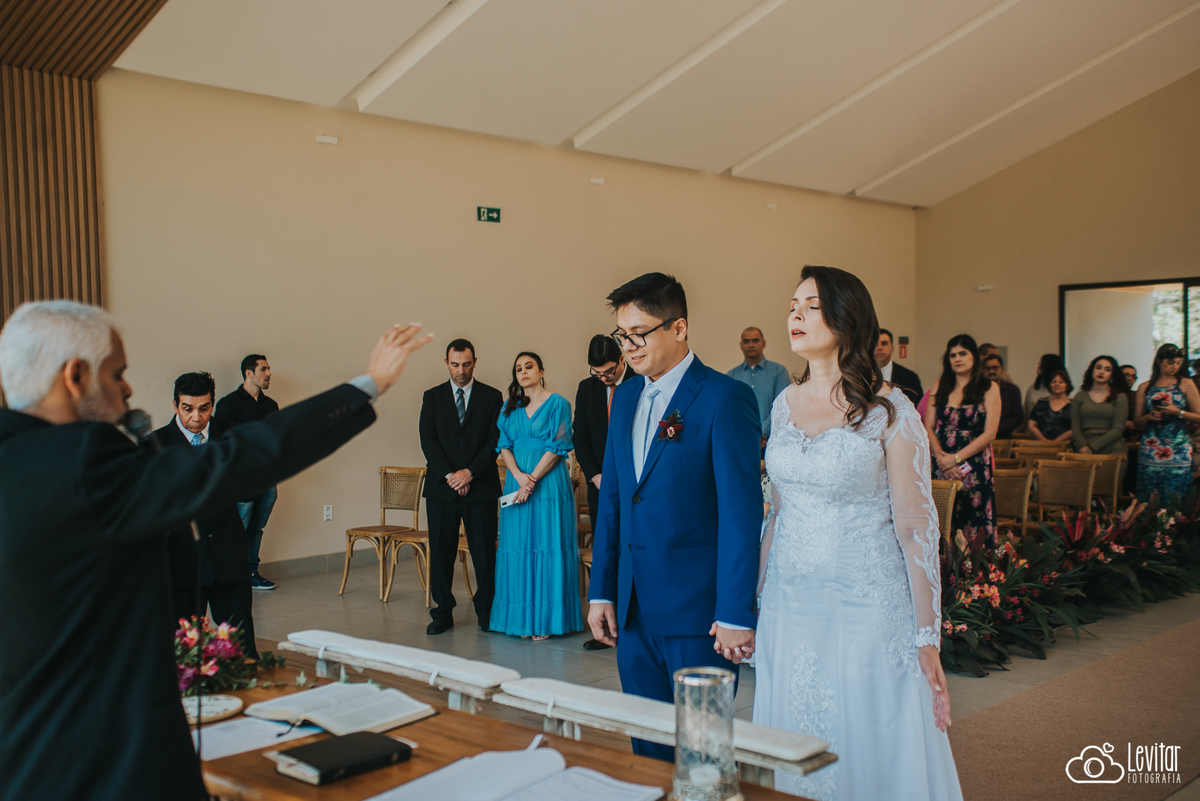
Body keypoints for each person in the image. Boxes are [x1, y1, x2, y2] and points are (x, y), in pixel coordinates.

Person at [0, 301, 430, 801]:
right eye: (117, 373)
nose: (127, 389)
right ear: (75, 376)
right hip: (105, 765)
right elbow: (237, 458)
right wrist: (369, 384)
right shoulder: (83, 463)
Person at [754, 265, 961, 801]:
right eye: (793, 306)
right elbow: (777, 512)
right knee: (795, 725)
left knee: (865, 731)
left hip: (864, 604)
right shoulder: (783, 404)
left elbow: (916, 527)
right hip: (789, 603)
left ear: (847, 318)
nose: (796, 315)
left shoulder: (890, 409)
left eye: (812, 306)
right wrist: (753, 598)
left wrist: (927, 635)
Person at [587, 273, 761, 762]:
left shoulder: (725, 398)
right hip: (632, 609)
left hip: (697, 613)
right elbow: (615, 500)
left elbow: (741, 514)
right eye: (623, 335)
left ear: (679, 328)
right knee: (649, 748)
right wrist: (602, 590)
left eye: (639, 334)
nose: (628, 347)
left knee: (702, 752)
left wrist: (735, 613)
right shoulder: (624, 397)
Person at [154, 372, 257, 658]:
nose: (196, 417)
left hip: (228, 555)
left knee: (241, 648)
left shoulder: (235, 435)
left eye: (204, 408)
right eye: (188, 408)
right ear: (175, 405)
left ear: (213, 403)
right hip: (181, 560)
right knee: (182, 653)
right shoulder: (154, 445)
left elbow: (251, 489)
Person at [492, 352, 582, 639]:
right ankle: (522, 619)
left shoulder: (559, 404)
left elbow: (559, 445)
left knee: (547, 545)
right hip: (516, 482)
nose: (523, 372)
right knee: (518, 546)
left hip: (549, 484)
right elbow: (503, 445)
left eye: (529, 366)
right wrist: (519, 477)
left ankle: (546, 621)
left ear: (542, 371)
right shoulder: (509, 407)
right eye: (518, 368)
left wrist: (531, 479)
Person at [418, 339, 503, 635]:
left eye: (466, 364)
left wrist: (470, 473)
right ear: (446, 363)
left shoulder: (492, 397)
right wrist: (451, 476)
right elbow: (428, 440)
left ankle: (487, 612)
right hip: (442, 489)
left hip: (481, 487)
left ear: (475, 362)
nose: (461, 371)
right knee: (441, 553)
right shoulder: (432, 397)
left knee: (484, 553)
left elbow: (494, 440)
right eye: (455, 365)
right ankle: (442, 613)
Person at [573, 335, 632, 651]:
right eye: (598, 374)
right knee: (605, 551)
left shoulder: (640, 382)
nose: (604, 378)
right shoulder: (587, 389)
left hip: (635, 487)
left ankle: (631, 625)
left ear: (622, 359)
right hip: (600, 486)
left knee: (632, 552)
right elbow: (580, 438)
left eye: (609, 372)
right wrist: (595, 475)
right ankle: (606, 628)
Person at [925, 334, 999, 547]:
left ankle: (975, 565)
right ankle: (943, 564)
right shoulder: (939, 386)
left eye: (963, 354)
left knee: (973, 515)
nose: (957, 359)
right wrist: (944, 461)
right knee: (944, 517)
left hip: (975, 462)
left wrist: (955, 459)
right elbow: (928, 427)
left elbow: (990, 433)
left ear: (974, 356)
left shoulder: (989, 388)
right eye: (953, 355)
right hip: (941, 460)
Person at [215, 354, 280, 590]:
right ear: (248, 373)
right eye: (264, 369)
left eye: (269, 369)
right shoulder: (228, 404)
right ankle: (230, 573)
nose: (269, 374)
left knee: (256, 528)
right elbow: (222, 443)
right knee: (238, 528)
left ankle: (252, 572)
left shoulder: (270, 406)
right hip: (241, 477)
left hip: (266, 476)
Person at [1133, 344, 1200, 502]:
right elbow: (1136, 422)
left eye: (1178, 363)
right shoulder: (1145, 387)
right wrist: (1149, 416)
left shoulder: (1186, 384)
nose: (1174, 367)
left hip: (1178, 446)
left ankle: (1177, 517)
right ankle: (1148, 517)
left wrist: (1178, 412)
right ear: (1158, 361)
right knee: (1149, 489)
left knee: (1177, 490)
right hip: (1151, 446)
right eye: (1170, 363)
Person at [726, 326, 791, 451]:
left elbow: (782, 407)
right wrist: (749, 435)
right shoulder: (731, 376)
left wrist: (760, 433)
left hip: (772, 442)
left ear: (764, 343)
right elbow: (729, 411)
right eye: (746, 341)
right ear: (741, 346)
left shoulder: (779, 372)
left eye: (755, 340)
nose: (751, 345)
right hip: (740, 442)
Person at [1071, 356, 1130, 456]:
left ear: (1112, 374)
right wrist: (1083, 447)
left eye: (1107, 369)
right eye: (1098, 368)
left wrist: (1092, 448)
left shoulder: (1120, 397)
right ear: (1092, 370)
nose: (1101, 372)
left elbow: (1117, 430)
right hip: (1084, 446)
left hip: (1111, 447)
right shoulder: (1080, 396)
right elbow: (1075, 427)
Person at [876, 328, 923, 405]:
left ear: (892, 349)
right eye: (875, 344)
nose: (879, 348)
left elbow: (916, 406)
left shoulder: (910, 377)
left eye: (884, 343)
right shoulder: (861, 375)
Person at [981, 353, 1023, 439]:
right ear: (982, 370)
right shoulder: (976, 390)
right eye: (987, 368)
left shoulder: (1012, 390)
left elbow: (1017, 417)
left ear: (1002, 369)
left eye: (995, 368)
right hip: (979, 435)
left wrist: (998, 428)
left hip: (1003, 436)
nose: (991, 371)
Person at [1027, 370, 1073, 442]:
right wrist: (1043, 440)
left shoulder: (1073, 405)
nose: (1057, 384)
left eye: (1061, 382)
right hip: (1042, 444)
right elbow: (1031, 425)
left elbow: (1076, 428)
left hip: (1066, 445)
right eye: (1054, 382)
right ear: (1050, 385)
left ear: (1067, 385)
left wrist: (1055, 442)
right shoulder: (1041, 403)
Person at [1024, 353, 1064, 420]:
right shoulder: (1033, 389)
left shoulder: (1062, 389)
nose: (1038, 366)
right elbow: (1026, 412)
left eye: (1041, 364)